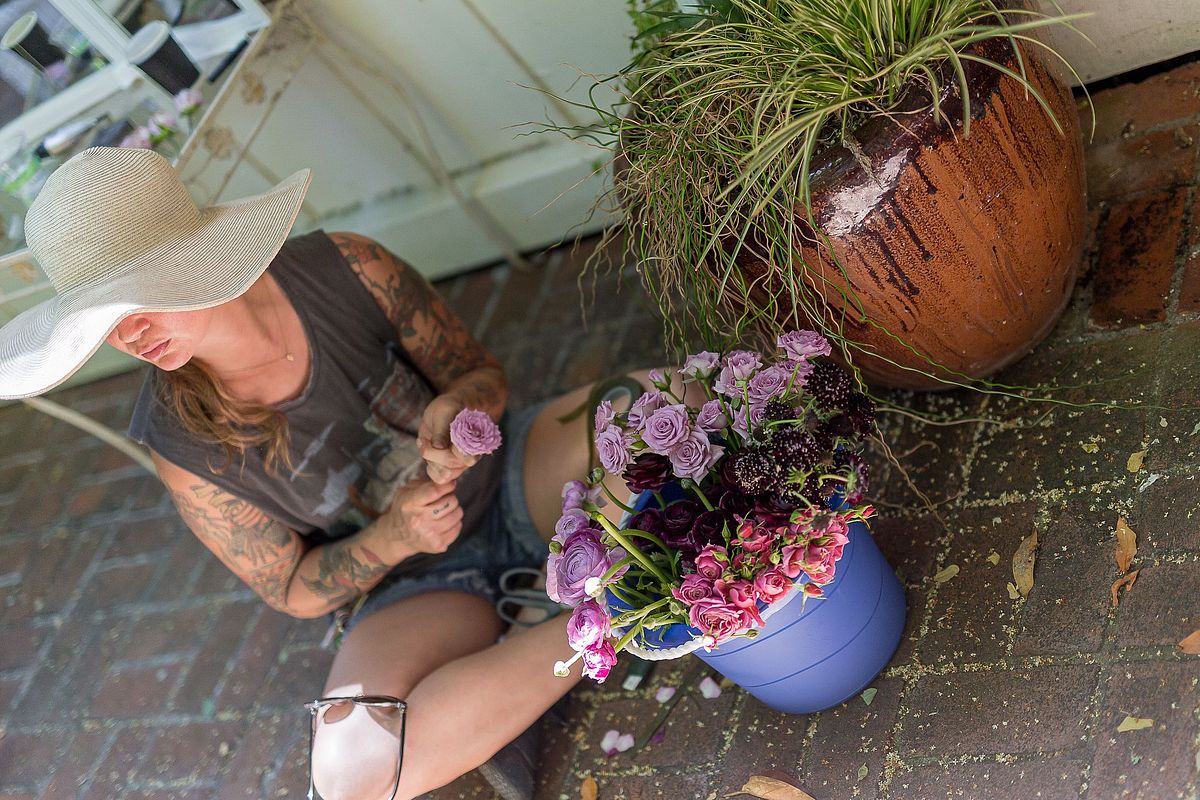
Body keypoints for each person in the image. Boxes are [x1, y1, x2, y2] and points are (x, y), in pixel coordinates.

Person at [0, 146, 646, 799]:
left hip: (512, 482)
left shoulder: (348, 267)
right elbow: (291, 588)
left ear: (189, 256)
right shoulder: (178, 442)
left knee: (665, 404)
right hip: (421, 586)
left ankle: (514, 665)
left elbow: (480, 373)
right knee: (352, 773)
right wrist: (394, 536)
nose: (130, 335)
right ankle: (593, 615)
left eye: (133, 297)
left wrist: (457, 408)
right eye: (102, 322)